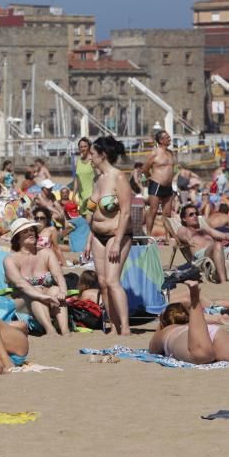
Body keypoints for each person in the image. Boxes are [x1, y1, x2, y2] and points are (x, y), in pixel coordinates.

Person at [84, 135, 133, 335]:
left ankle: (126, 327)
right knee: (103, 283)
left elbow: (126, 211)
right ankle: (114, 326)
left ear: (103, 155)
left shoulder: (118, 177)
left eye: (93, 154)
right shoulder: (98, 179)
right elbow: (93, 215)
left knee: (113, 281)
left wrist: (117, 242)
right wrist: (88, 240)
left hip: (116, 235)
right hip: (97, 235)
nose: (90, 158)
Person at [149, 282, 229, 364]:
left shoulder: (166, 331)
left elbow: (152, 349)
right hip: (210, 331)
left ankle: (195, 300)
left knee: (202, 355)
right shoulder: (196, 325)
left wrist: (160, 324)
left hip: (191, 337)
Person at [3, 218, 70, 336]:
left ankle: (65, 331)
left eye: (32, 230)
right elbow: (20, 283)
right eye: (25, 231)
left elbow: (58, 275)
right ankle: (50, 330)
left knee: (56, 289)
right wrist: (41, 296)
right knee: (36, 291)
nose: (30, 233)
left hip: (49, 298)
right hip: (22, 301)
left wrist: (63, 291)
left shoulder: (46, 253)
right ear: (17, 238)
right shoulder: (10, 259)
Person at [174, 204, 229, 284]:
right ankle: (223, 282)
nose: (195, 216)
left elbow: (222, 235)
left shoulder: (205, 229)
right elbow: (181, 237)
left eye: (196, 214)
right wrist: (188, 239)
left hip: (221, 251)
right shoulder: (184, 229)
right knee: (217, 245)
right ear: (184, 219)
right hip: (203, 255)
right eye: (191, 214)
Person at [142, 130, 176, 236]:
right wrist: (150, 178)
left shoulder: (170, 153)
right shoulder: (155, 152)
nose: (170, 139)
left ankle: (167, 236)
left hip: (168, 186)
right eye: (167, 137)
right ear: (161, 140)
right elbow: (145, 168)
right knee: (153, 210)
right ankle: (148, 235)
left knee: (167, 213)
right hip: (156, 184)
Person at [74, 137, 95, 213]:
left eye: (85, 146)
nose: (83, 148)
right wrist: (73, 195)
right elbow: (77, 179)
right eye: (81, 147)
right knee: (83, 222)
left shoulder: (93, 159)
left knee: (88, 222)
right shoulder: (78, 161)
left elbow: (100, 177)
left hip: (92, 197)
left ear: (89, 147)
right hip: (81, 198)